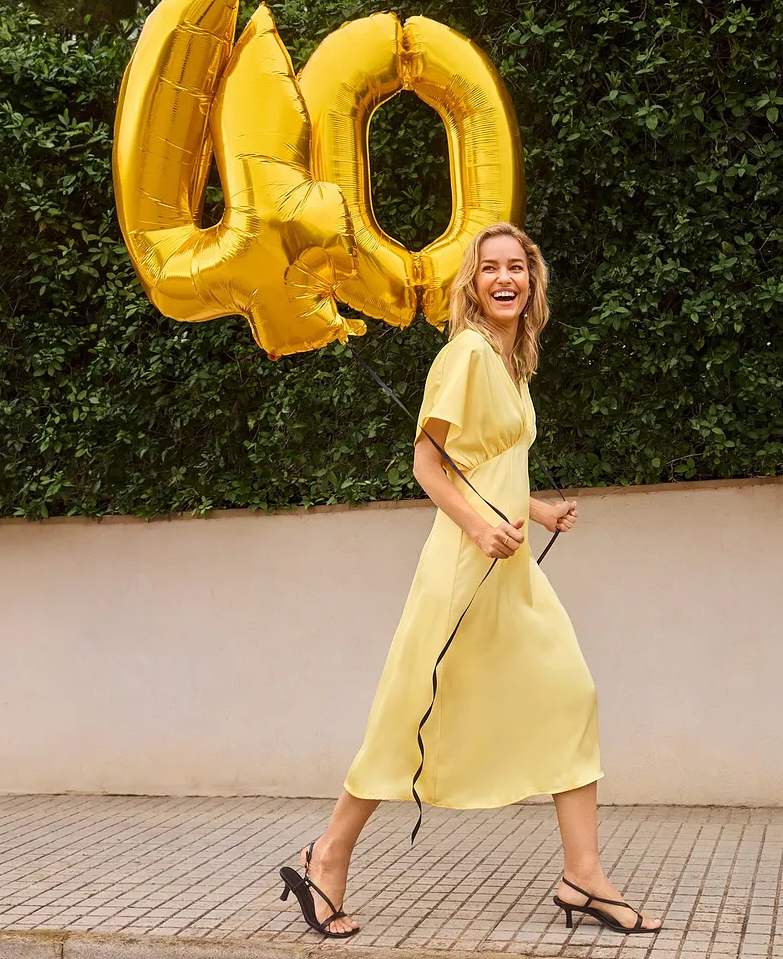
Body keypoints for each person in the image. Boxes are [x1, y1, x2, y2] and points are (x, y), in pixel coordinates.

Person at [276, 223, 662, 938]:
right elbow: (428, 464)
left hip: (510, 570)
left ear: (532, 280)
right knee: (408, 716)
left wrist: (537, 511)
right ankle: (327, 855)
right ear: (473, 285)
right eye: (490, 268)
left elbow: (486, 467)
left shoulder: (511, 363)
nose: (505, 277)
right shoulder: (466, 355)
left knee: (570, 695)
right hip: (462, 568)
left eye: (517, 266)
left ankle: (583, 875)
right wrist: (480, 529)